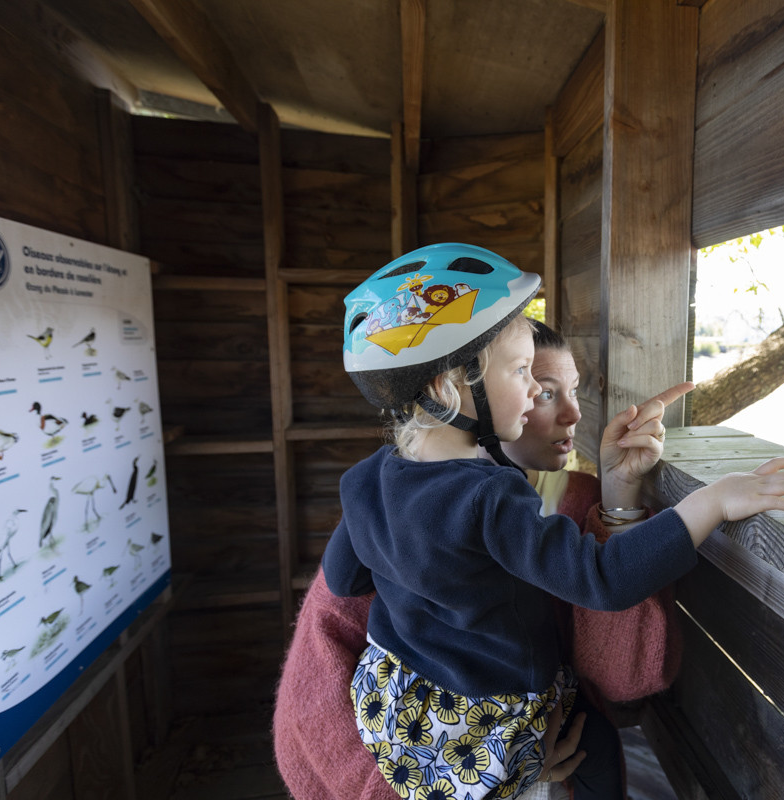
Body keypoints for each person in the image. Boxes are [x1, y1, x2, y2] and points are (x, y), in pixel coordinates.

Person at [279, 243, 784, 800]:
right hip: (485, 726)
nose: (538, 392)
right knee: (598, 752)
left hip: (394, 708)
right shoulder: (490, 498)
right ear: (448, 388)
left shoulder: (366, 479)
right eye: (524, 374)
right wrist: (711, 502)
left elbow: (349, 579)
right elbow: (603, 580)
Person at [274, 318, 690, 800]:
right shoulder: (412, 507)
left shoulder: (576, 503)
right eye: (539, 387)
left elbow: (625, 678)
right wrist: (491, 778)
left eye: (573, 390)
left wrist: (619, 498)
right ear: (456, 391)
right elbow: (308, 711)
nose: (574, 414)